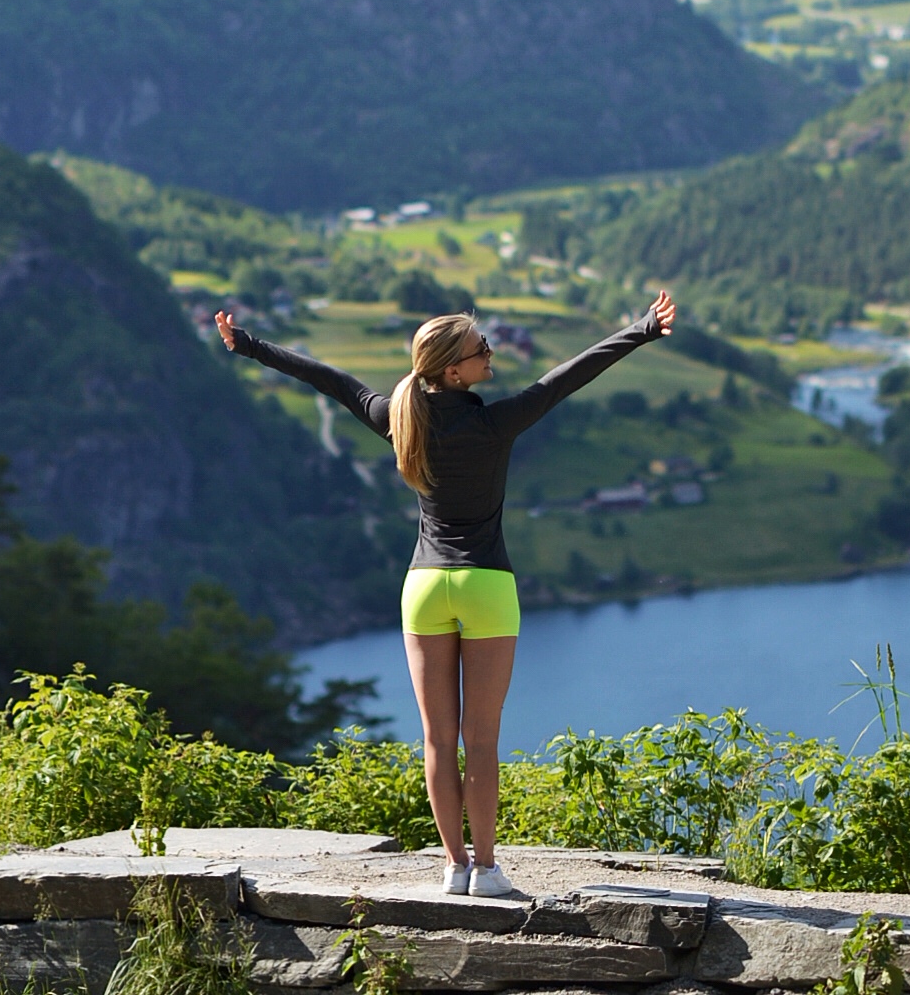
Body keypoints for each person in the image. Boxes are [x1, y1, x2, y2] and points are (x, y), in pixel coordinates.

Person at [215, 287, 676, 895]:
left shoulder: (397, 417)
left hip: (425, 587)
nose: (491, 353)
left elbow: (329, 379)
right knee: (480, 743)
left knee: (436, 739)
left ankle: (454, 867)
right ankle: (487, 870)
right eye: (481, 348)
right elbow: (571, 375)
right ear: (453, 371)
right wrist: (643, 328)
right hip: (486, 586)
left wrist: (249, 346)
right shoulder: (494, 423)